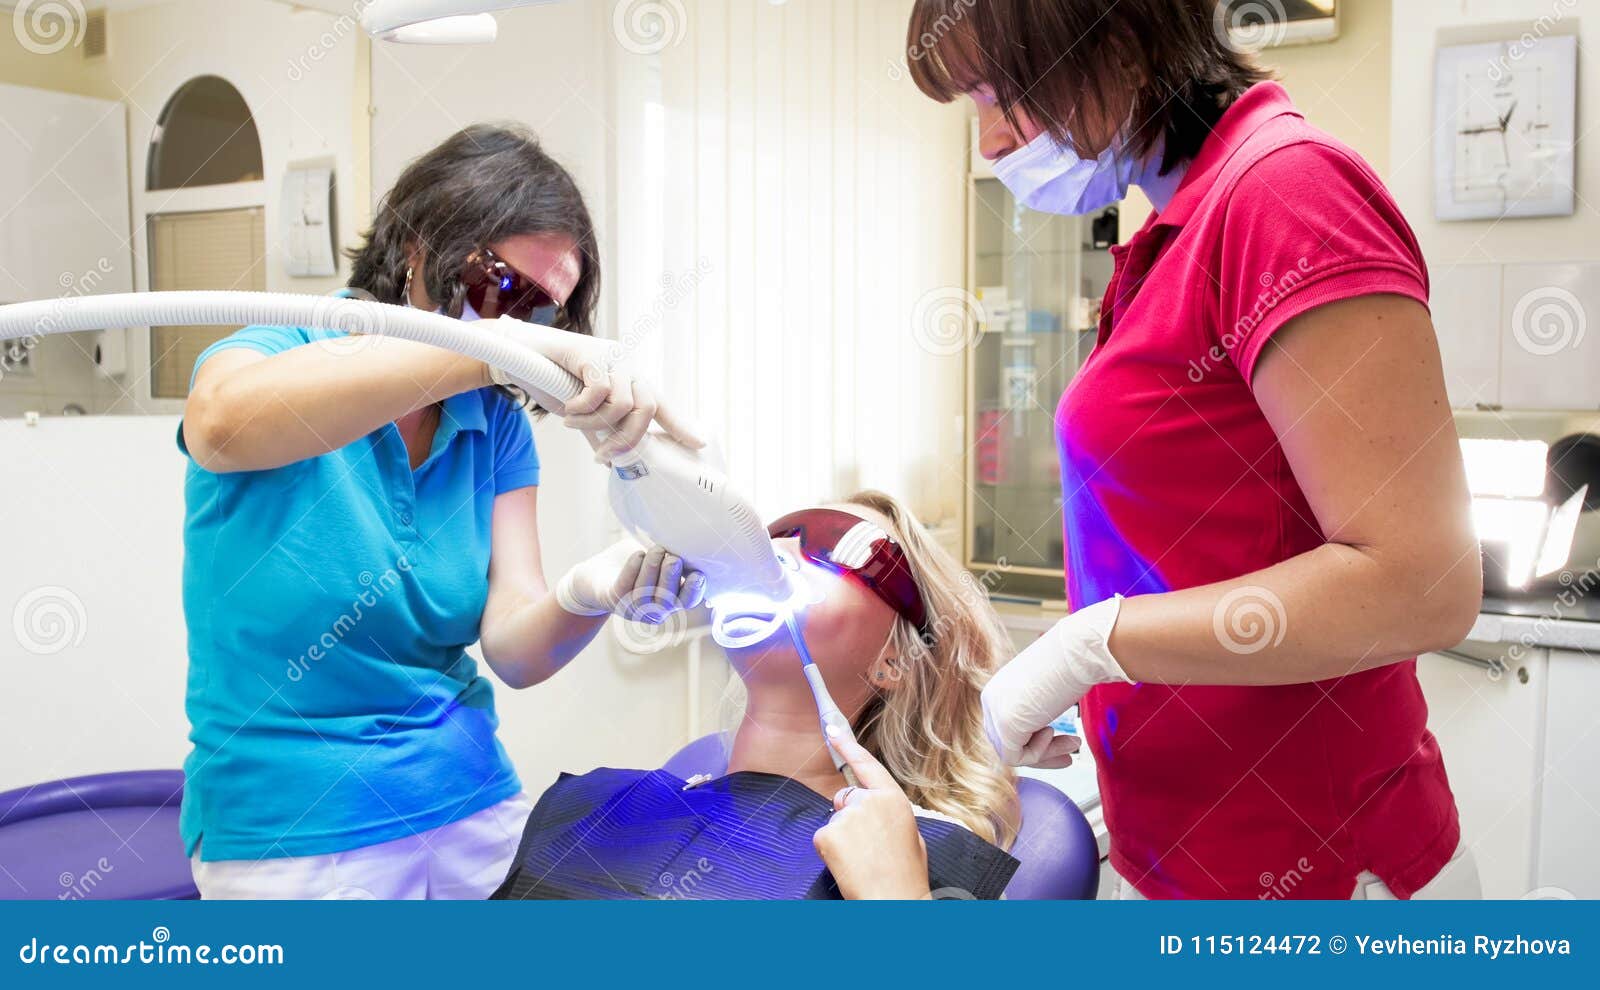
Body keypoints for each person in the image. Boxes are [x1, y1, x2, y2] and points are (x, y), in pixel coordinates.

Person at [877, 0, 1485, 899]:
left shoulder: (1286, 195)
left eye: (1002, 93)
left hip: (1314, 870)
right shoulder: (1171, 233)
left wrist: (1086, 650)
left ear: (1120, 43)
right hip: (1182, 853)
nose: (991, 144)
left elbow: (1420, 584)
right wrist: (1087, 686)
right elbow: (1198, 542)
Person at [178, 124, 701, 899]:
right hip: (293, 829)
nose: (516, 324)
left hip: (470, 804)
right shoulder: (279, 348)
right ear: (420, 249)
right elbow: (220, 429)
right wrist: (495, 343)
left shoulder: (491, 424)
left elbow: (516, 651)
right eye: (498, 289)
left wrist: (595, 590)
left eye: (542, 315)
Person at [492, 491, 1022, 900]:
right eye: (771, 535)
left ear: (894, 660)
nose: (780, 551)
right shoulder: (601, 800)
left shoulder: (911, 851)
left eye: (836, 541)